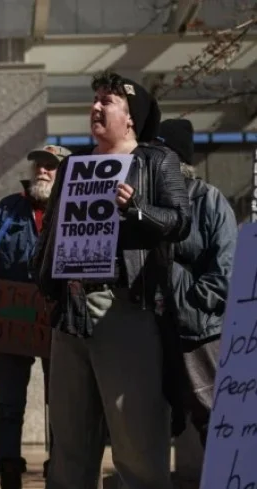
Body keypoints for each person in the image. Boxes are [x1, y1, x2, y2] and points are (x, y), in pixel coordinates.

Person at [32, 71, 191, 489]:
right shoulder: (73, 168)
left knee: (136, 441)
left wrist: (138, 210)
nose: (96, 107)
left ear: (132, 116)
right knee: (68, 445)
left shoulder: (157, 162)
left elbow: (181, 223)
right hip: (71, 311)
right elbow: (49, 231)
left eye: (108, 100)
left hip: (126, 309)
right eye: (96, 99)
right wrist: (44, 281)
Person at [0, 145, 71, 489]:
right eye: (38, 165)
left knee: (60, 401)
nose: (43, 171)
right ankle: (9, 470)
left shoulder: (76, 210)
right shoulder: (9, 208)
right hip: (12, 317)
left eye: (51, 166)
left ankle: (60, 466)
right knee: (9, 400)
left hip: (58, 317)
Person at [154, 119, 233, 488]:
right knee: (160, 417)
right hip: (157, 328)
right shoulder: (149, 201)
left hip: (199, 330)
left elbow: (225, 270)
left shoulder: (210, 200)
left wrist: (191, 303)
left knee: (213, 419)